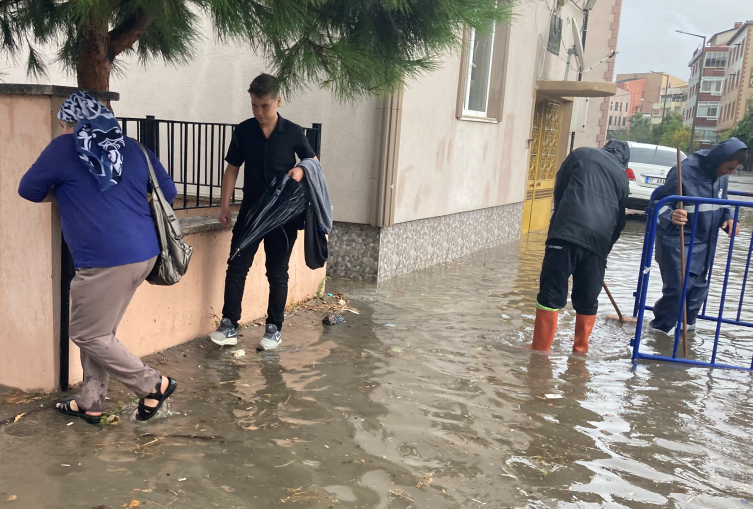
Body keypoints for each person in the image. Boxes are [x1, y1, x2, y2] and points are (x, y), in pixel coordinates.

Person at [18, 92, 179, 424]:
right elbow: (170, 192)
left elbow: (29, 189)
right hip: (145, 255)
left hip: (106, 260)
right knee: (100, 331)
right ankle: (90, 402)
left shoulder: (64, 147)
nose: (63, 131)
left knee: (88, 333)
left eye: (64, 125)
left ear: (73, 124)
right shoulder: (133, 147)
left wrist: (67, 191)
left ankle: (153, 385)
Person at [209, 74, 318, 351]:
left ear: (278, 102)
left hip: (282, 215)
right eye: (255, 105)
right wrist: (224, 205)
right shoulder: (244, 131)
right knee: (236, 265)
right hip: (251, 210)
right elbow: (232, 168)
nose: (259, 112)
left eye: (265, 106)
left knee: (277, 272)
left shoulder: (293, 131)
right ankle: (229, 324)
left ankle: (274, 328)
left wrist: (301, 168)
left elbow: (313, 160)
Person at [530, 140, 630, 353]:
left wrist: (561, 217)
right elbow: (619, 222)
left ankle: (540, 351)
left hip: (566, 234)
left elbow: (561, 188)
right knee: (587, 297)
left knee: (551, 292)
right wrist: (602, 253)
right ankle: (580, 351)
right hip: (599, 242)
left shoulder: (581, 154)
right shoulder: (622, 176)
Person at [649, 138, 749, 335]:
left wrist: (729, 217)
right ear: (718, 159)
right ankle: (659, 332)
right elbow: (658, 205)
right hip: (677, 241)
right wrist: (671, 214)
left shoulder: (722, 175)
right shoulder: (683, 171)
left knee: (697, 290)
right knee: (678, 289)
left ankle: (685, 333)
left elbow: (723, 202)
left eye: (734, 170)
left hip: (705, 241)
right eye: (729, 168)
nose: (729, 173)